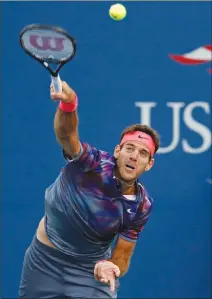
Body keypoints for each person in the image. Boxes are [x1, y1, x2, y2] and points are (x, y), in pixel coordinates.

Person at [19, 80, 160, 298]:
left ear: (149, 164)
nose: (133, 155)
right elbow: (67, 137)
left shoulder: (141, 206)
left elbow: (122, 257)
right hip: (44, 263)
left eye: (142, 153)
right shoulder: (92, 163)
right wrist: (69, 105)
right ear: (117, 151)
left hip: (91, 272)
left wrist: (109, 267)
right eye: (129, 148)